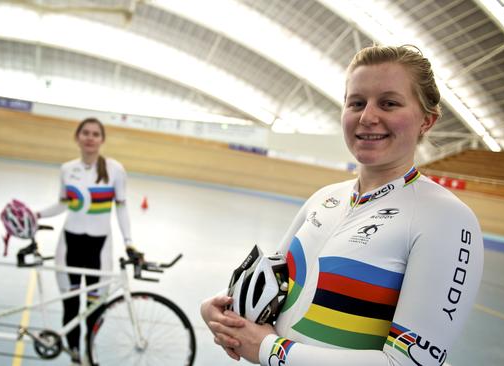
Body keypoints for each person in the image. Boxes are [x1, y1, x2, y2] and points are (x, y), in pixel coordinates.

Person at [201, 45, 484, 366]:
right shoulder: (323, 199)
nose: (368, 117)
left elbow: (412, 363)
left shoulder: (445, 218)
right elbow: (269, 305)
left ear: (427, 121)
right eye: (357, 103)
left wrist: (270, 350)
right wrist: (223, 313)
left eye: (389, 103)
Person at [36, 117, 138, 362]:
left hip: (99, 249)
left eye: (95, 134)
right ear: (77, 137)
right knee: (71, 307)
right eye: (86, 133)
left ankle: (89, 351)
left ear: (102, 140)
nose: (90, 138)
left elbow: (121, 208)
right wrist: (36, 214)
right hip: (69, 246)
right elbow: (62, 204)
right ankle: (74, 354)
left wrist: (129, 242)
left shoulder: (115, 170)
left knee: (95, 309)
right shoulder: (67, 169)